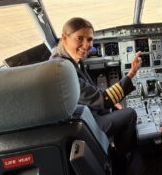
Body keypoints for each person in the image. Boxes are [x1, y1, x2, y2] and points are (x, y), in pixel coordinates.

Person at [50, 17, 142, 161]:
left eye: (90, 39)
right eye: (79, 38)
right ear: (64, 37)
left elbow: (91, 91)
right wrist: (131, 73)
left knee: (116, 106)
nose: (86, 45)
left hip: (83, 115)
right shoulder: (62, 71)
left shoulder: (66, 59)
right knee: (130, 113)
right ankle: (120, 156)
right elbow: (102, 100)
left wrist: (111, 104)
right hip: (83, 125)